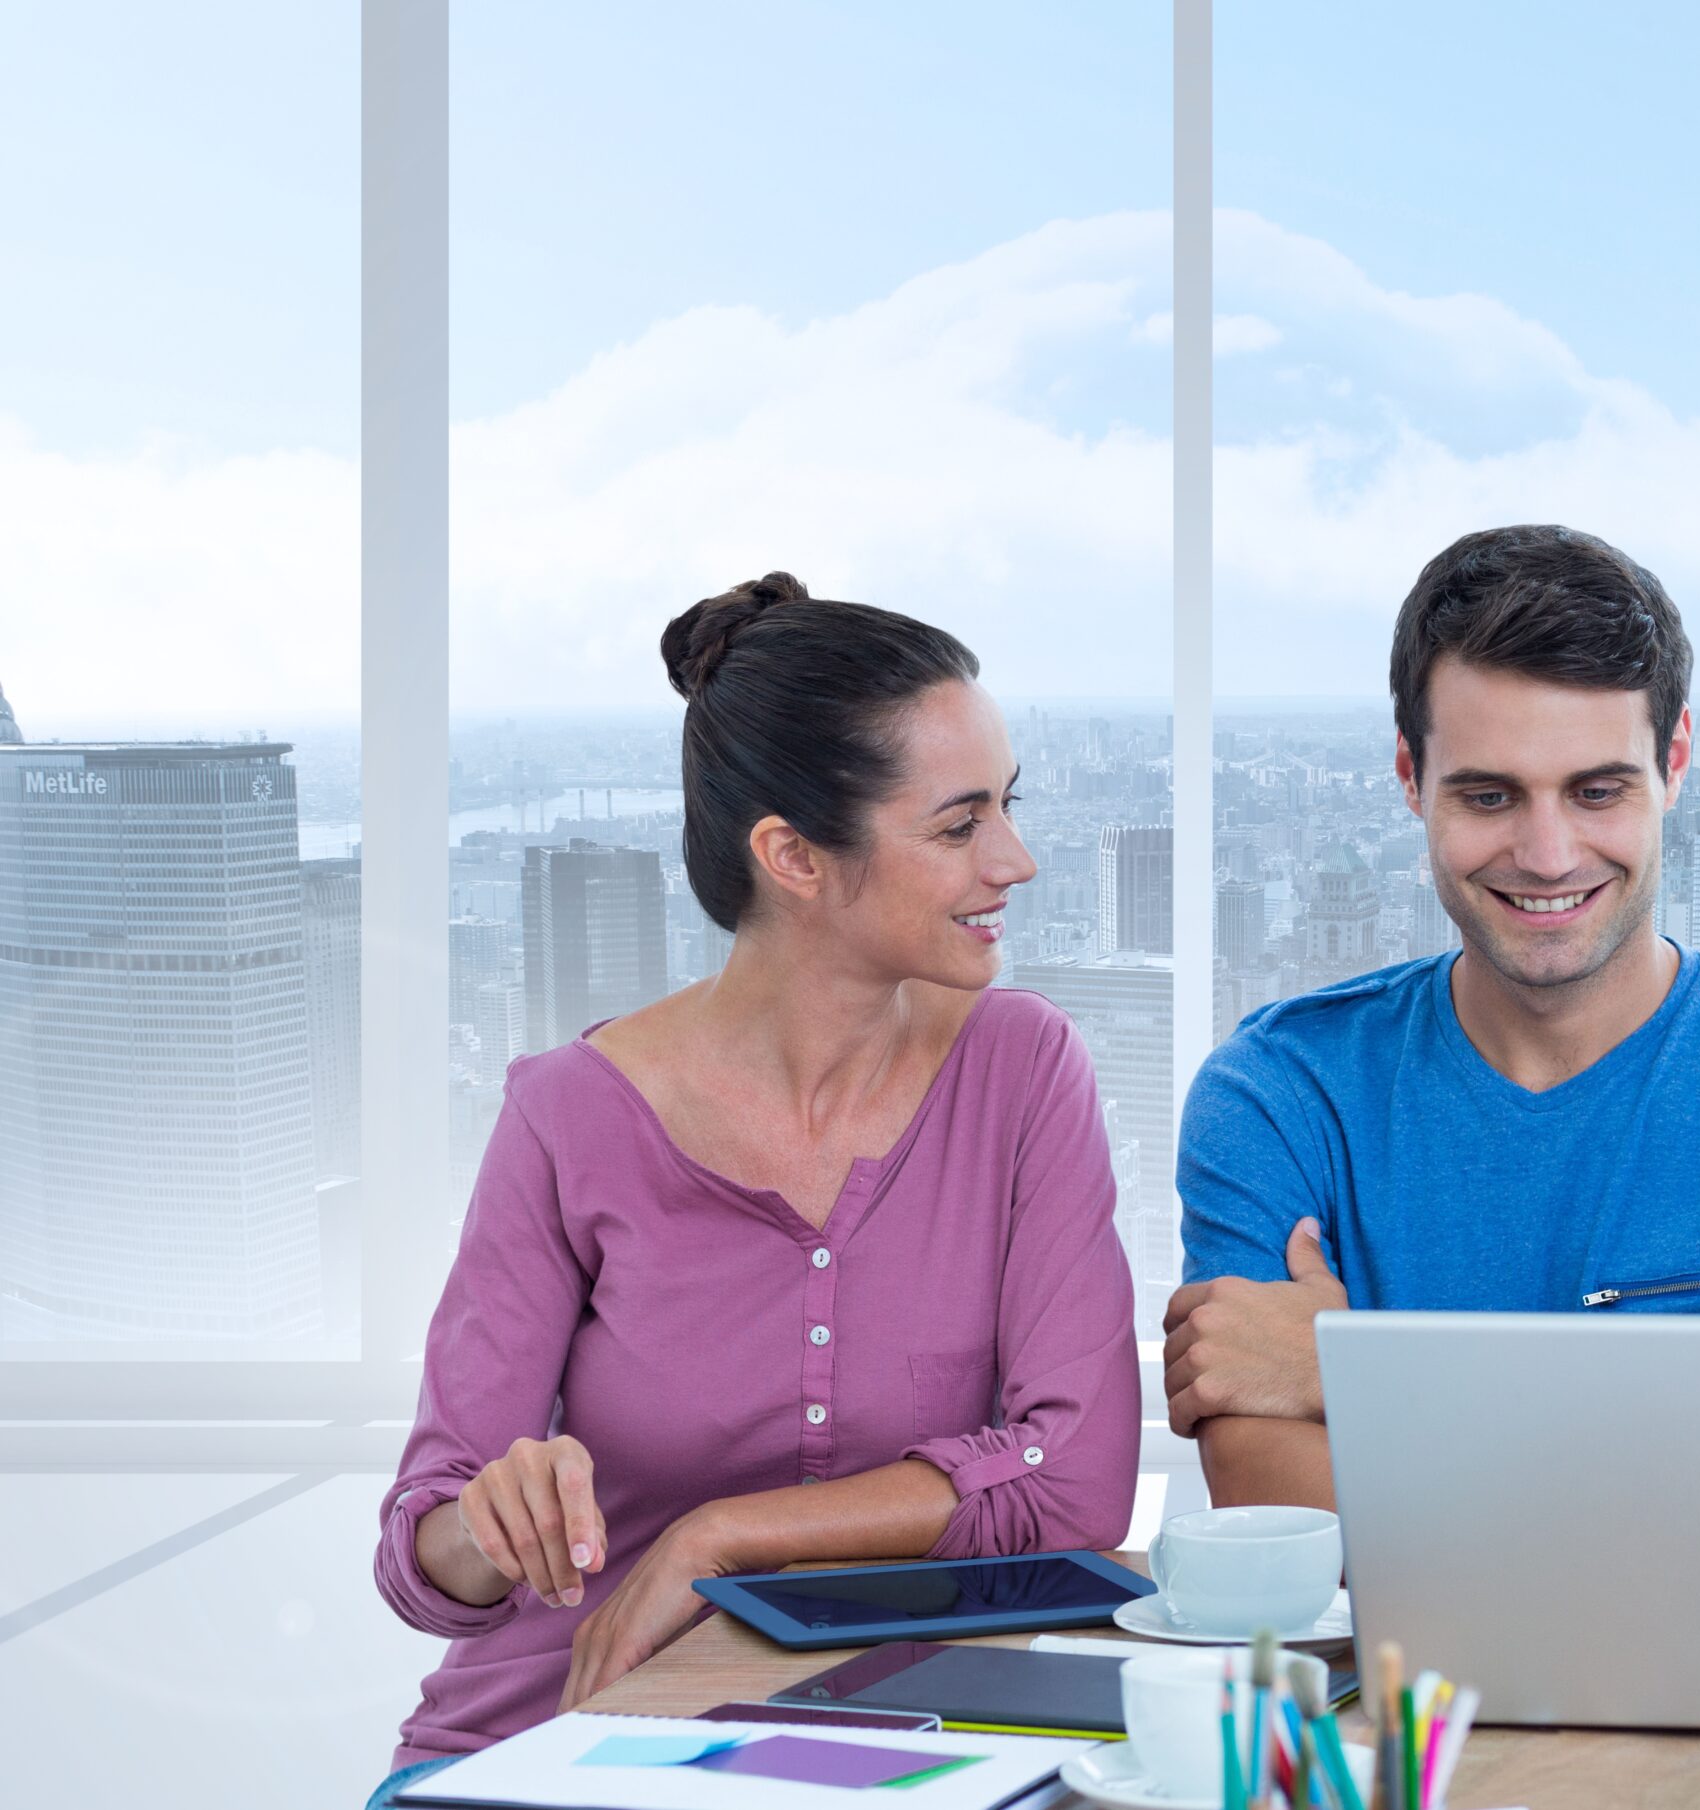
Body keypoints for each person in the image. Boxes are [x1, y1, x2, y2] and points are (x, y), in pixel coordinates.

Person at [365, 575, 1139, 1806]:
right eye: (957, 826)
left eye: (1008, 807)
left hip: (898, 1754)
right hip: (549, 1743)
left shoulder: (1021, 1071)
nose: (1016, 859)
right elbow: (426, 1563)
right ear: (791, 856)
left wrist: (715, 1536)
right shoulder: (567, 1115)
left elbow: (1075, 1481)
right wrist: (483, 1522)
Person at [1165, 524, 1700, 1510]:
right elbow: (1275, 1502)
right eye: (1489, 795)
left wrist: (1355, 1374)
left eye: (1595, 791)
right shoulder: (1279, 1091)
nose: (1546, 854)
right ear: (1410, 779)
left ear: (1674, 761)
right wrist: (1674, 1435)